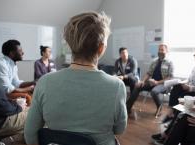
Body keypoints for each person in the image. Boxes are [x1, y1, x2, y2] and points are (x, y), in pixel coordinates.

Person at [24, 12, 127, 145]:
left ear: (70, 45)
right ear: (101, 49)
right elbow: (120, 129)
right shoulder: (116, 86)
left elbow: (30, 133)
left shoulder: (45, 82)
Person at [151, 41, 195, 145]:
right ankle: (169, 121)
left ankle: (167, 131)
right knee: (177, 90)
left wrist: (192, 100)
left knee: (181, 110)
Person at [126, 44, 174, 114]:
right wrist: (142, 81)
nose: (160, 51)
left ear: (167, 51)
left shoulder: (170, 62)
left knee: (154, 91)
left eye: (162, 50)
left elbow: (170, 77)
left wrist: (157, 82)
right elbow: (149, 73)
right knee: (137, 86)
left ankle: (159, 107)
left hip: (163, 84)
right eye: (159, 50)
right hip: (152, 83)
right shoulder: (154, 61)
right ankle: (127, 107)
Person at [163, 47, 195, 122]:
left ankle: (173, 115)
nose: (194, 55)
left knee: (181, 96)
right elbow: (189, 79)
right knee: (176, 86)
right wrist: (183, 82)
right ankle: (171, 111)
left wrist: (190, 88)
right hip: (189, 88)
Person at [0, 76, 27, 141]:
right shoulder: (0, 65)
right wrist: (18, 107)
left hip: (0, 108)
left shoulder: (13, 66)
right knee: (38, 115)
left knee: (31, 108)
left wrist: (11, 102)